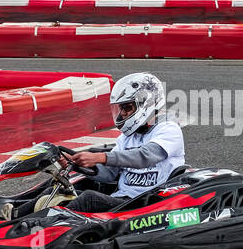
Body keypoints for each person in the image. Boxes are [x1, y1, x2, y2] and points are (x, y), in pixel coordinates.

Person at [66, 73, 185, 213]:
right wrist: (76, 164)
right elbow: (109, 174)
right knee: (63, 194)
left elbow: (145, 156)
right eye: (120, 108)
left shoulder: (168, 128)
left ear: (146, 103)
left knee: (89, 199)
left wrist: (101, 157)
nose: (122, 114)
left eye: (127, 108)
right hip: (122, 200)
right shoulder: (126, 138)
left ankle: (44, 228)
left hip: (148, 203)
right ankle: (35, 221)